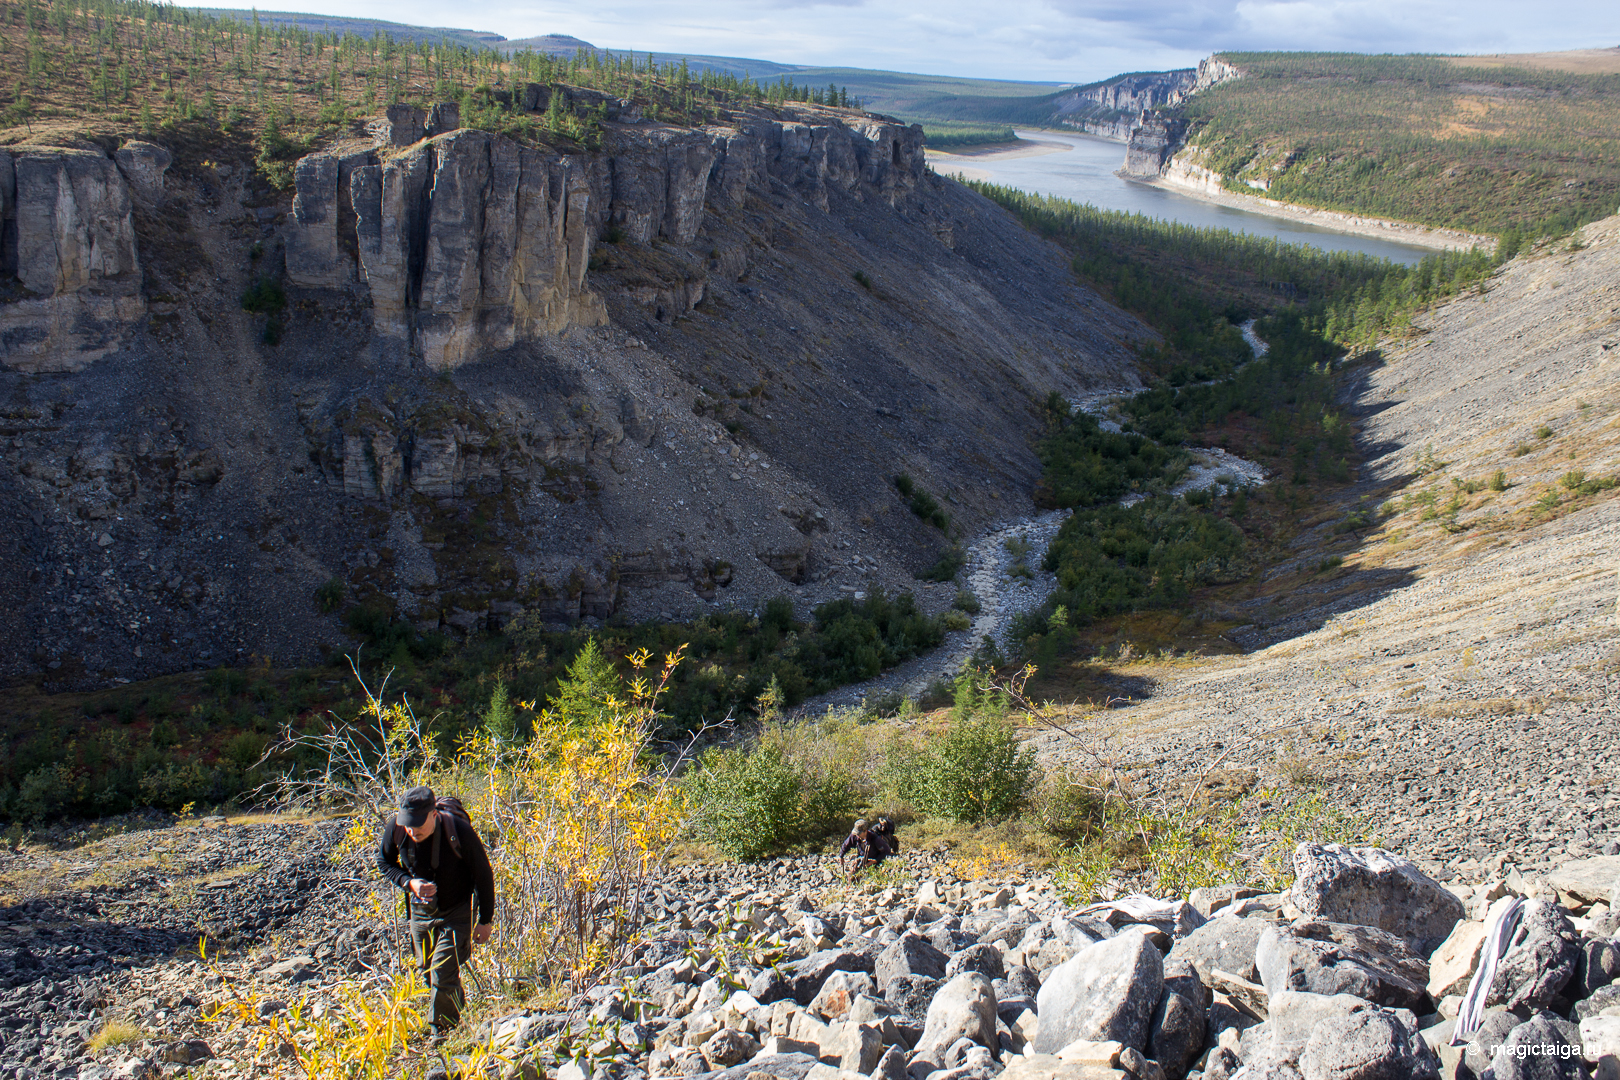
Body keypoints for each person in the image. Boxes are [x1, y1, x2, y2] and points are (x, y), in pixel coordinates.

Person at [376, 786, 496, 1037]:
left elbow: (484, 875)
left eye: (418, 825)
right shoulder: (397, 829)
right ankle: (456, 1012)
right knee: (428, 972)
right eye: (408, 825)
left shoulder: (458, 831)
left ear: (433, 814)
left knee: (442, 970)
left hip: (457, 910)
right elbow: (384, 862)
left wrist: (485, 920)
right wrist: (409, 883)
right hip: (420, 912)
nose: (412, 831)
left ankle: (442, 1034)